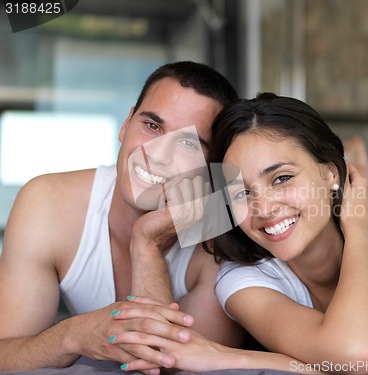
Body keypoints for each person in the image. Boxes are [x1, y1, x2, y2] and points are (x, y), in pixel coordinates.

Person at [115, 93, 368, 374]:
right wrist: (146, 237)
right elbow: (359, 361)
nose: (264, 208)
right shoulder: (240, 278)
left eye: (282, 178)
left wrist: (357, 228)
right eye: (243, 192)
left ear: (330, 172)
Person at [0, 61, 244, 373]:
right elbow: (5, 355)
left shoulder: (220, 243)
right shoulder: (48, 203)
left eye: (187, 143)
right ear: (126, 124)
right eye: (152, 126)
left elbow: (170, 370)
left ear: (212, 167)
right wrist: (74, 335)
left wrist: (147, 242)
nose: (157, 154)